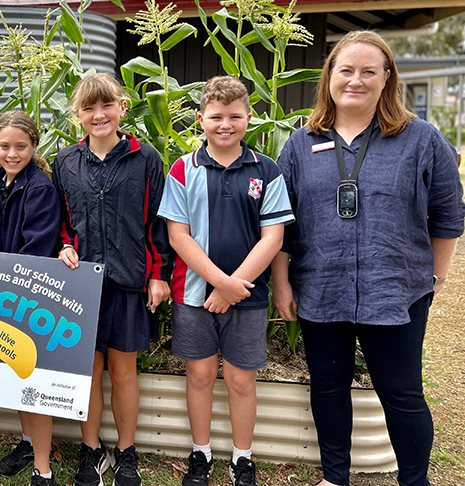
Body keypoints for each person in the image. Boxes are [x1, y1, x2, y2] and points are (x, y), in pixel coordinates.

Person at [271, 31, 464, 486]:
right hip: (320, 289)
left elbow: (448, 216)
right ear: (329, 76)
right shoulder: (300, 145)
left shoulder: (421, 141)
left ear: (386, 78)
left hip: (396, 293)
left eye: (368, 71)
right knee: (328, 388)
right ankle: (334, 477)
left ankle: (414, 481)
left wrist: (434, 278)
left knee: (402, 394)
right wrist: (282, 284)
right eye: (346, 70)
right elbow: (281, 224)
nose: (355, 80)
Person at [158, 76, 294, 486]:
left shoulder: (266, 170)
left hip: (248, 297)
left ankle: (242, 457)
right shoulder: (183, 169)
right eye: (216, 116)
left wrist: (234, 286)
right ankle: (201, 453)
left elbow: (274, 237)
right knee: (199, 376)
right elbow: (178, 236)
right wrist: (221, 284)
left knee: (240, 379)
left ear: (249, 118)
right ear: (200, 119)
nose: (225, 124)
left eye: (235, 116)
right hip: (194, 296)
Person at [53, 73, 174, 486]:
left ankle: (125, 451)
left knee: (124, 373)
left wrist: (159, 276)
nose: (98, 114)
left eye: (106, 106)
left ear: (122, 108)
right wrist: (64, 246)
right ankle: (91, 450)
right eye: (89, 108)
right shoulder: (65, 161)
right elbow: (64, 221)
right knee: (87, 371)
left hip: (128, 282)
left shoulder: (146, 159)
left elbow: (159, 223)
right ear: (78, 116)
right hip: (82, 285)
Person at [0, 111, 60, 486]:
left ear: (33, 146)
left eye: (21, 147)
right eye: (4, 146)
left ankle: (43, 470)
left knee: (33, 380)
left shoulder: (39, 187)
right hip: (3, 290)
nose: (12, 153)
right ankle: (28, 442)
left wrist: (5, 266)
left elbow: (38, 247)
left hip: (27, 293)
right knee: (16, 374)